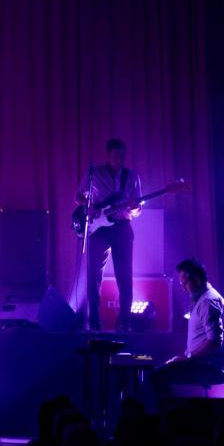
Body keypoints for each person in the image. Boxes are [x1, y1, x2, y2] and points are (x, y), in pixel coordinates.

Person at [77, 138, 143, 331]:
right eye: (115, 157)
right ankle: (94, 322)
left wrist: (135, 207)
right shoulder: (94, 174)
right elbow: (78, 195)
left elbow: (137, 209)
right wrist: (88, 207)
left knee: (125, 275)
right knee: (93, 276)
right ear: (108, 156)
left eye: (122, 157)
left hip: (122, 227)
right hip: (99, 229)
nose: (119, 160)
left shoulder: (132, 177)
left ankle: (124, 323)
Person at [150, 257, 224, 396]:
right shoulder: (204, 299)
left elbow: (214, 342)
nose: (182, 288)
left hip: (209, 367)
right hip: (203, 363)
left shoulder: (208, 302)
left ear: (197, 279)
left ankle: (173, 414)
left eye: (185, 283)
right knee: (160, 372)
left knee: (155, 376)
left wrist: (187, 358)